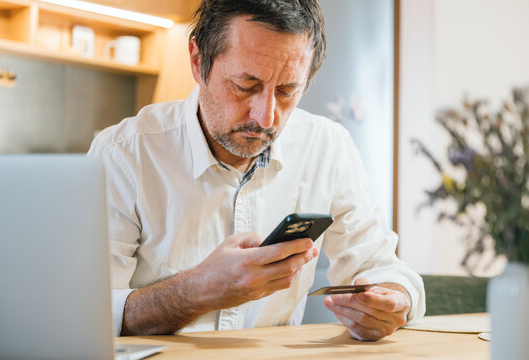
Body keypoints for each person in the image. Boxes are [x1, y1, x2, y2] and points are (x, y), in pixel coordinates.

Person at [88, 0, 425, 340]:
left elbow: (380, 266)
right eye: (245, 86)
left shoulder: (328, 146)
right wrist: (198, 290)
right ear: (197, 61)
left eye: (287, 91)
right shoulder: (123, 155)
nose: (265, 117)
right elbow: (87, 314)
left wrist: (392, 300)